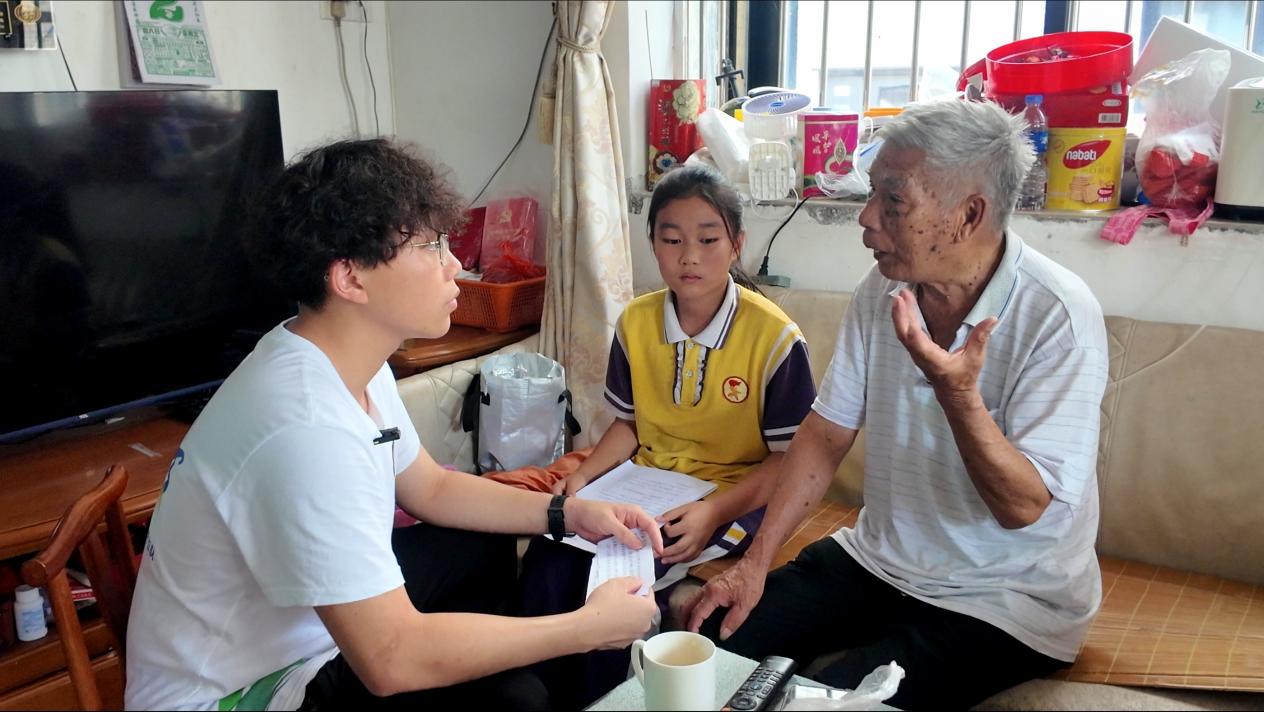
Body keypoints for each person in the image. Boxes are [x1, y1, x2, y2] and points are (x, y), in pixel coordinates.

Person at [124, 138, 662, 711]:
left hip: (304, 633)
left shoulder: (340, 354)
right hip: (243, 689)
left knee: (478, 547)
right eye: (432, 247)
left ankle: (489, 665)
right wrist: (586, 628)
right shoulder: (307, 431)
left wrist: (566, 513)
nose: (455, 265)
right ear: (350, 279)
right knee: (517, 700)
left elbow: (431, 489)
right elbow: (390, 661)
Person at [683, 99, 1111, 710]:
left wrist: (957, 395)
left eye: (893, 199)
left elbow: (1024, 508)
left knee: (825, 703)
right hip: (879, 561)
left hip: (1004, 598)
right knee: (702, 650)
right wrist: (754, 563)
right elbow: (826, 434)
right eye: (872, 194)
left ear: (968, 215)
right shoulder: (882, 288)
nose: (866, 218)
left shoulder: (1058, 316)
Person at [508, 165, 817, 708]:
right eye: (672, 240)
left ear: (737, 244)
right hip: (644, 485)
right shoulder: (636, 321)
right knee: (549, 551)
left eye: (708, 240)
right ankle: (532, 692)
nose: (689, 256)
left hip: (732, 496)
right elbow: (629, 425)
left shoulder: (774, 338)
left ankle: (603, 701)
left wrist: (713, 512)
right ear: (653, 243)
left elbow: (789, 460)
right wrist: (581, 478)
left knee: (609, 576)